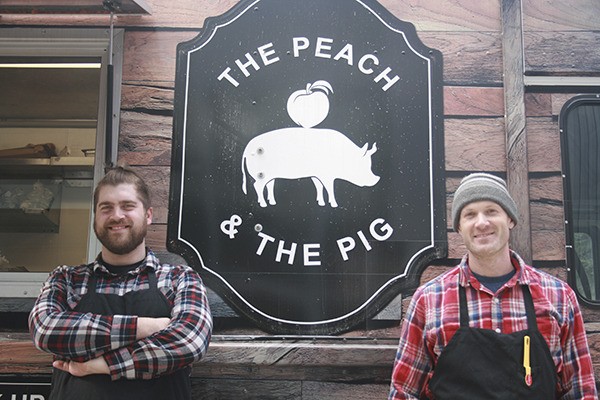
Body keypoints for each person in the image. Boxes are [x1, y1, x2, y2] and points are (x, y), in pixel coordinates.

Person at [388, 173, 597, 399]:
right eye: (469, 214)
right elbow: (403, 392)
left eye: (491, 211)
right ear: (459, 227)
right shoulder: (428, 300)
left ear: (510, 219)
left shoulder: (558, 296)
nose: (481, 222)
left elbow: (581, 390)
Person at [28, 166, 213, 400]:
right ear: (96, 217)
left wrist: (102, 365)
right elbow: (45, 331)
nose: (117, 215)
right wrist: (145, 327)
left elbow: (190, 341)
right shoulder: (67, 279)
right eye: (106, 208)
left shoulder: (180, 278)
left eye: (127, 206)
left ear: (148, 215)